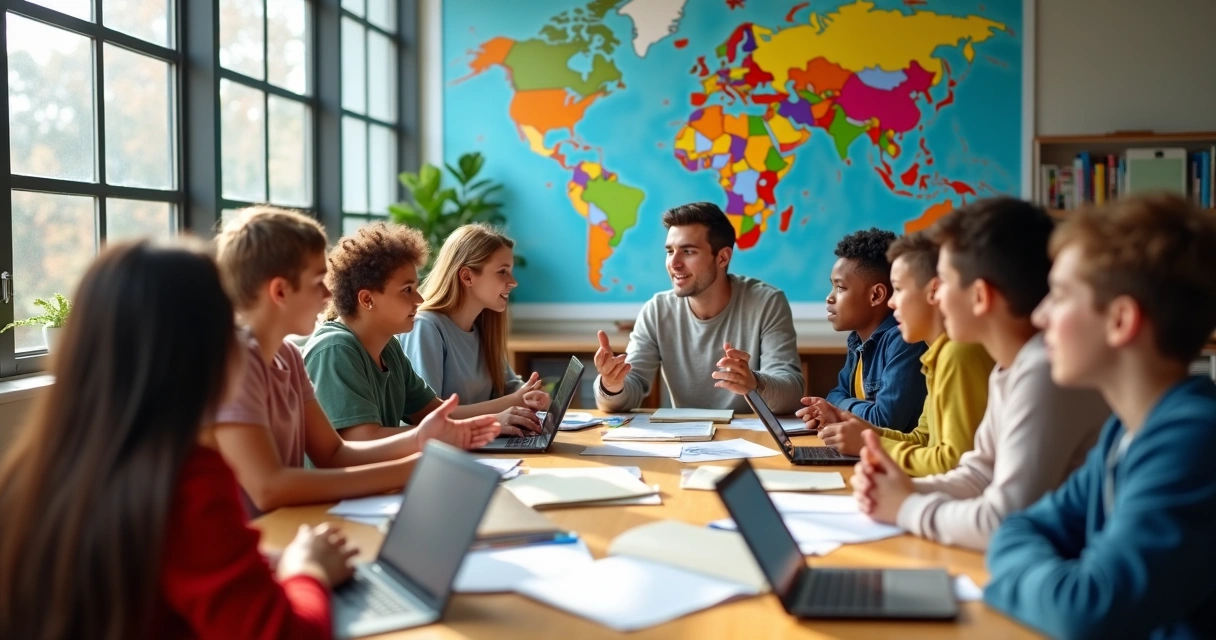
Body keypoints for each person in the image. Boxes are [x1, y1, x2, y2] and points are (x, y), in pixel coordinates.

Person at [0, 240, 351, 639]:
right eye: (230, 324)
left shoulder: (33, 469)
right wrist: (308, 568)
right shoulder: (188, 480)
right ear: (201, 349)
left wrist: (267, 562)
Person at [984, 195, 1216, 638]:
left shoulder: (1193, 438)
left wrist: (1014, 576)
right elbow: (1021, 526)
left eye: (1061, 295)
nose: (1040, 314)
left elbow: (1085, 610)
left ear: (1120, 320)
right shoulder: (1124, 433)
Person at [850, 197, 1107, 551]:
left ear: (980, 296)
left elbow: (1001, 519)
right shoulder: (1010, 367)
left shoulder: (1044, 370)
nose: (936, 297)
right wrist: (900, 490)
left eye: (946, 281)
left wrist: (907, 507)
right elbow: (978, 474)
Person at [213, 207, 500, 517]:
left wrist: (420, 438)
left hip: (282, 529)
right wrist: (418, 467)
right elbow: (268, 488)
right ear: (280, 291)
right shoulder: (235, 362)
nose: (328, 294)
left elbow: (334, 454)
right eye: (317, 282)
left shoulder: (287, 356)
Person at [592, 202, 803, 413]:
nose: (674, 263)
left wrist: (755, 382)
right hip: (685, 439)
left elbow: (792, 394)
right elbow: (631, 387)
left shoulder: (767, 302)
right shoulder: (656, 310)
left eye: (688, 251)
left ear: (722, 257)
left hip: (752, 439)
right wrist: (611, 385)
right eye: (670, 251)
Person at [303, 222, 504, 439]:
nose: (419, 299)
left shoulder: (389, 348)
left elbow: (436, 413)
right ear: (367, 299)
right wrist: (450, 433)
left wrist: (496, 420)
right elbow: (362, 440)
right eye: (407, 290)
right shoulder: (336, 350)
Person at [818, 231, 993, 475]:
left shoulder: (958, 353)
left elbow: (952, 462)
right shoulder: (937, 354)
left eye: (898, 289)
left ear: (933, 291)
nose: (891, 302)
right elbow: (922, 439)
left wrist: (871, 444)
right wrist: (856, 429)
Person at [400, 224, 551, 437]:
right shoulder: (426, 327)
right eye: (502, 272)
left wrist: (532, 396)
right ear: (467, 277)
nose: (513, 282)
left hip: (479, 447)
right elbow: (428, 416)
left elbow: (509, 388)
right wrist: (505, 408)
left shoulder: (484, 328)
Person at [797, 228, 927, 433]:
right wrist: (836, 407)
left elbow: (885, 420)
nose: (829, 298)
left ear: (876, 295)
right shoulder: (857, 340)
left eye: (840, 288)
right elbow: (835, 394)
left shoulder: (903, 340)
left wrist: (838, 410)